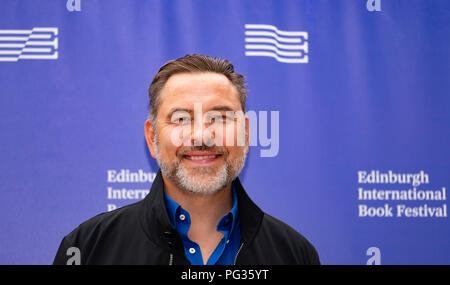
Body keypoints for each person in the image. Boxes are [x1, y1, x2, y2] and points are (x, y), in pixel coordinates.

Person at [53, 54, 320, 265]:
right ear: (152, 138)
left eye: (220, 117)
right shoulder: (87, 249)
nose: (202, 135)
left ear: (247, 134)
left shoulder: (295, 254)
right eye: (181, 118)